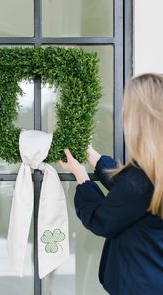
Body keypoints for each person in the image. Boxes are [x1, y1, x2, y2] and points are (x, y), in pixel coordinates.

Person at [58, 73, 163, 295]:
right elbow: (127, 188)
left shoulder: (140, 181)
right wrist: (90, 153)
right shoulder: (152, 172)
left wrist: (80, 176)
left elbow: (100, 220)